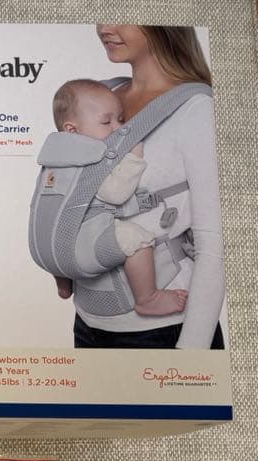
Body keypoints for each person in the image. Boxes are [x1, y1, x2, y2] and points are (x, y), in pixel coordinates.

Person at [74, 25, 224, 349]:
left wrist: (192, 354)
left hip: (164, 330)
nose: (105, 27)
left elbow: (216, 245)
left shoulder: (197, 109)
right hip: (88, 321)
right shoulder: (98, 96)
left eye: (122, 13)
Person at [50, 78, 188, 317]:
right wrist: (134, 157)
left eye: (121, 120)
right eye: (107, 122)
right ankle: (147, 298)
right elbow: (116, 194)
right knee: (138, 239)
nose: (118, 128)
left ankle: (64, 283)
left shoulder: (54, 156)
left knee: (54, 239)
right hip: (85, 235)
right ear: (72, 130)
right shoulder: (88, 159)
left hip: (54, 240)